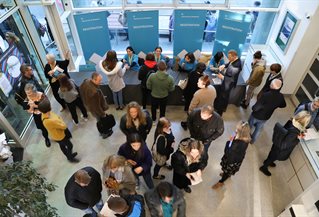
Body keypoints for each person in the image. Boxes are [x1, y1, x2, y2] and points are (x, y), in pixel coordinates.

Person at [259, 111, 311, 176]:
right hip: (280, 149)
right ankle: (264, 167)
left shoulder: (292, 121)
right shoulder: (294, 132)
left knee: (272, 154)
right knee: (273, 156)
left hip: (278, 142)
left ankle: (268, 161)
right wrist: (298, 139)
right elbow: (285, 145)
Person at [212, 121, 251, 189]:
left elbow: (227, 151)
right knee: (228, 171)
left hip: (231, 160)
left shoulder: (236, 144)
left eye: (237, 129)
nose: (235, 130)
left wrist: (230, 141)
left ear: (240, 132)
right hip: (237, 159)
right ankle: (226, 174)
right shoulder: (247, 139)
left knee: (227, 170)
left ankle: (221, 181)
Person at [248, 79, 286, 144]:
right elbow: (283, 105)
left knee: (249, 126)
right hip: (266, 117)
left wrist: (253, 108)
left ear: (271, 86)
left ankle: (245, 137)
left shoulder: (266, 95)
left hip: (256, 115)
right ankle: (252, 141)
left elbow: (255, 108)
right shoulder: (281, 96)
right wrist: (274, 105)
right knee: (258, 130)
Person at [80, 72, 111, 138]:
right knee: (101, 122)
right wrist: (103, 114)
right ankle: (104, 134)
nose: (100, 82)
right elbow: (97, 107)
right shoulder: (94, 92)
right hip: (96, 110)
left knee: (98, 121)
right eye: (99, 81)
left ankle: (101, 131)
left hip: (89, 105)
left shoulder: (86, 81)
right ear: (94, 80)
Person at [215, 50, 242, 116]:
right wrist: (224, 65)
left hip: (228, 84)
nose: (228, 58)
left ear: (234, 56)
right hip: (226, 81)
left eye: (229, 57)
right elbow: (229, 63)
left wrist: (222, 77)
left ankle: (220, 112)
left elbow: (232, 79)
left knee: (223, 97)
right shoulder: (234, 60)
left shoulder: (236, 66)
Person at [180, 62, 207, 130]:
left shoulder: (191, 73)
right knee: (192, 108)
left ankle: (186, 109)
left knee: (188, 103)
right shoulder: (202, 78)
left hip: (188, 92)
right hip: (195, 95)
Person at [23, 83, 51, 147]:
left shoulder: (41, 95)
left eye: (29, 93)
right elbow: (29, 111)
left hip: (45, 113)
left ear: (34, 91)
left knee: (50, 124)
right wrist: (31, 107)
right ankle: (46, 138)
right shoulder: (26, 100)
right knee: (43, 128)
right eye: (27, 93)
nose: (28, 95)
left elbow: (47, 105)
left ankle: (56, 135)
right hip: (37, 116)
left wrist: (35, 105)